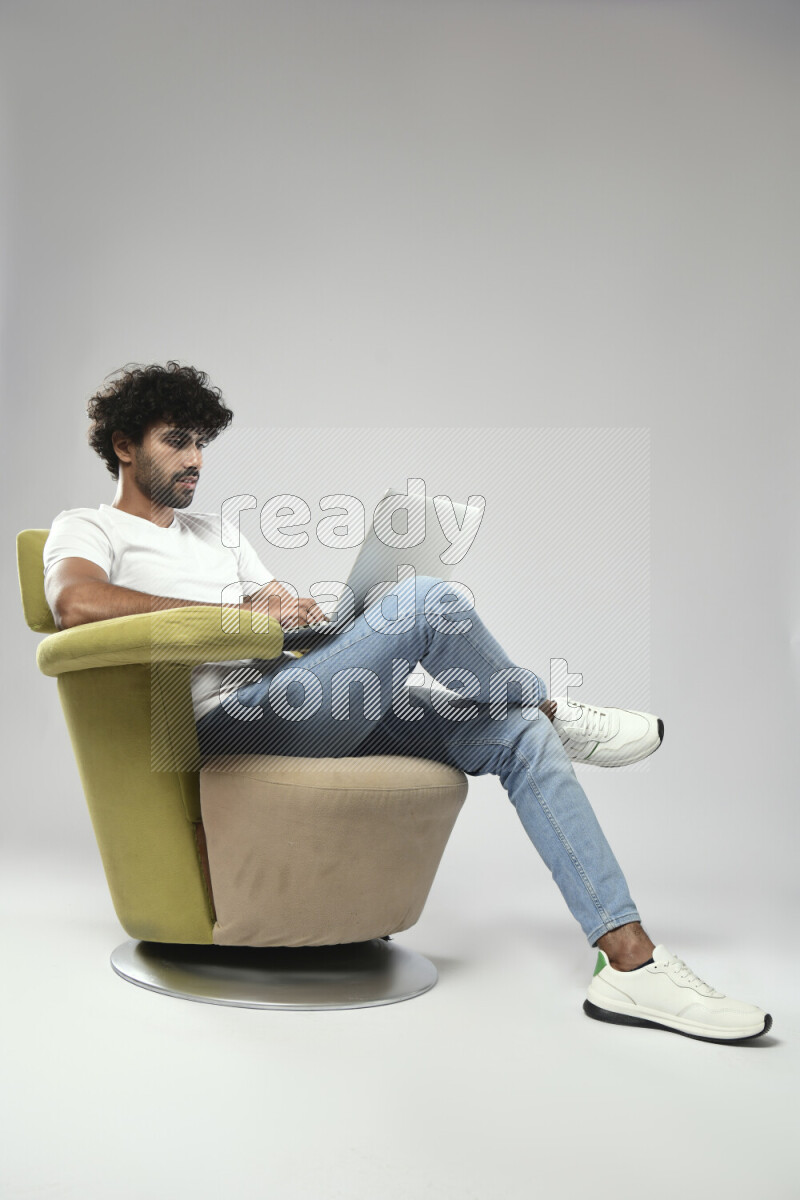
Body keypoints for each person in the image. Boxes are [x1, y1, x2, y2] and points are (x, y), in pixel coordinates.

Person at [42, 362, 772, 1043]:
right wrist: (229, 614)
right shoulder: (90, 527)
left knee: (512, 732)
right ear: (124, 447)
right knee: (426, 603)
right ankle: (554, 706)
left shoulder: (218, 534)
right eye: (177, 441)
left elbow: (267, 616)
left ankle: (630, 963)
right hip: (219, 726)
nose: (196, 458)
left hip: (287, 690)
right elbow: (75, 603)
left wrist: (287, 607)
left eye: (201, 442)